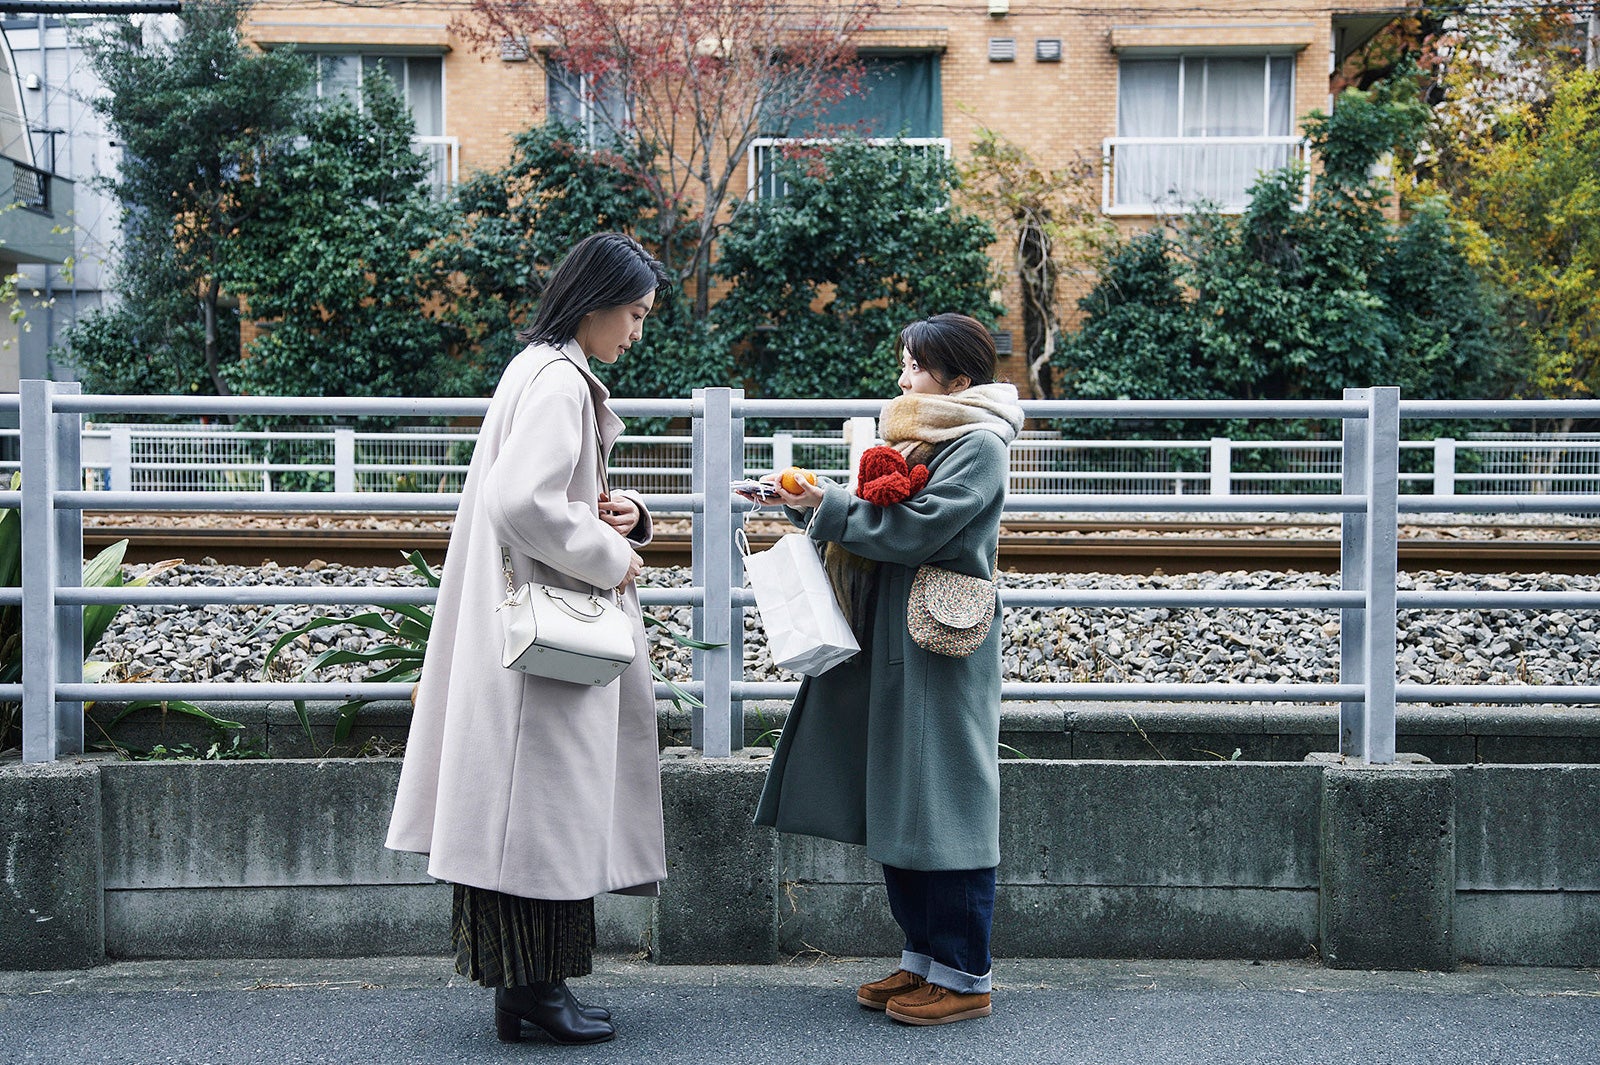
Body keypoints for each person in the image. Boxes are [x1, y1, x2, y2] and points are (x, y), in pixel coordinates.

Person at [386, 232, 670, 1046]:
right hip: (545, 646)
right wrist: (614, 555)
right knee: (542, 818)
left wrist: (627, 516)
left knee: (526, 819)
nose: (636, 333)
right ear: (597, 303)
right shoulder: (559, 382)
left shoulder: (533, 366)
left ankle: (528, 992)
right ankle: (536, 998)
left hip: (515, 631)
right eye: (634, 314)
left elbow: (543, 496)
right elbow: (525, 501)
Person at [752, 313, 1024, 1026]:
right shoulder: (920, 434)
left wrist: (826, 504)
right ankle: (925, 960)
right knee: (904, 802)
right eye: (903, 364)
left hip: (940, 645)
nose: (903, 379)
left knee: (949, 806)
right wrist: (809, 501)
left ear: (959, 380)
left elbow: (914, 528)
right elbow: (883, 515)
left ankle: (966, 976)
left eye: (916, 368)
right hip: (896, 641)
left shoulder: (979, 445)